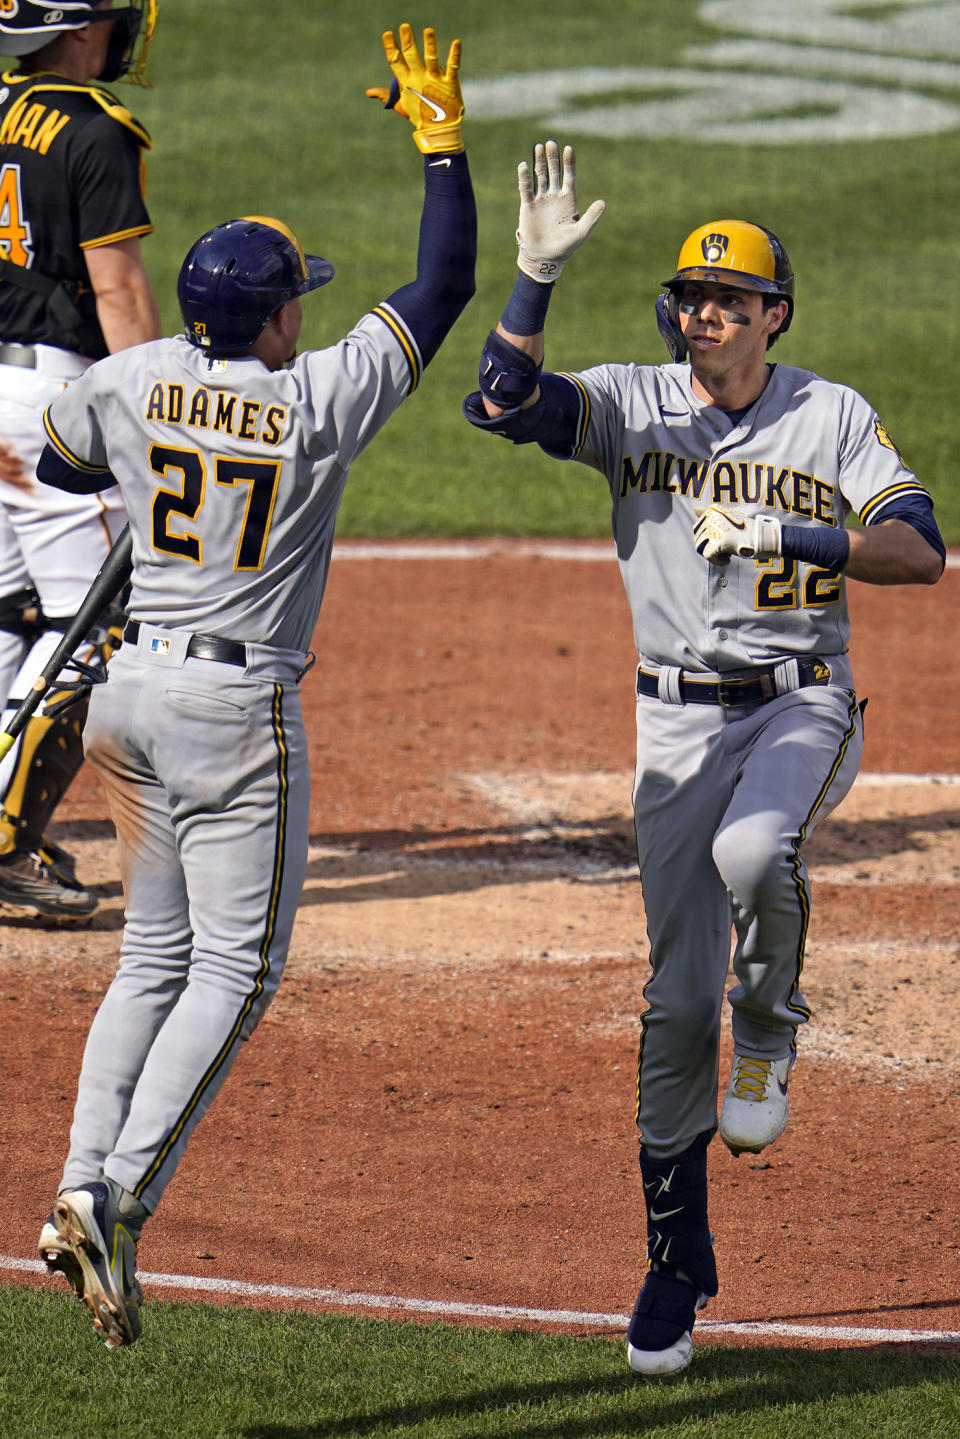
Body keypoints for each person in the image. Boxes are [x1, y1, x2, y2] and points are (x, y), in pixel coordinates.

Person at [464, 140, 945, 1377]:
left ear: (773, 316)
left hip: (800, 700)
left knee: (755, 845)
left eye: (728, 298)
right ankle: (677, 1259)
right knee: (674, 1006)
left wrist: (792, 527)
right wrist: (531, 281)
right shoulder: (632, 398)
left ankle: (773, 1024)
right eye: (690, 295)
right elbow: (504, 405)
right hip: (673, 720)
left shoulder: (830, 414)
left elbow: (918, 552)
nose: (704, 313)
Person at [34, 21, 475, 1348]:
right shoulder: (318, 398)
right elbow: (441, 286)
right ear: (278, 317)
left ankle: (73, 1183)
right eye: (301, 299)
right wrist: (439, 141)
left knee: (150, 956)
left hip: (129, 699)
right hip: (234, 714)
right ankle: (116, 1197)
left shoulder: (132, 377)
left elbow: (58, 472)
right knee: (237, 964)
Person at [0, 0, 160, 920]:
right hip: (52, 400)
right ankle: (3, 835)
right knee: (88, 623)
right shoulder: (95, 133)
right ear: (78, 31)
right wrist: (148, 419)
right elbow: (119, 286)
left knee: (10, 612)